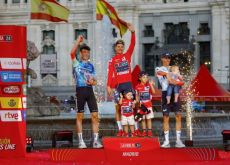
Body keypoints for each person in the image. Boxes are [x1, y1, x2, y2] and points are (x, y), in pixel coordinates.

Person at [107, 23, 141, 136]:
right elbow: (110, 74)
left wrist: (133, 32)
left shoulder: (127, 55)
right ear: (115, 48)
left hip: (127, 85)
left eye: (122, 47)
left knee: (133, 106)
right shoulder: (112, 60)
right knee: (118, 108)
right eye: (118, 46)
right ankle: (120, 130)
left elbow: (133, 43)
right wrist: (108, 86)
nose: (120, 48)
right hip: (118, 86)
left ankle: (135, 129)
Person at [70, 35, 102, 149]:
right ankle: (80, 141)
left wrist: (93, 82)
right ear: (81, 53)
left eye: (87, 52)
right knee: (80, 116)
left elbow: (94, 81)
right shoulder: (76, 63)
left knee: (95, 115)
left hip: (89, 91)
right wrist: (78, 41)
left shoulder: (91, 66)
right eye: (83, 52)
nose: (85, 54)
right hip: (80, 90)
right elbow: (71, 53)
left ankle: (95, 141)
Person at [155, 53, 185, 148]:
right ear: (162, 58)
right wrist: (169, 75)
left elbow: (182, 81)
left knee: (178, 115)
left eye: (169, 58)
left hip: (175, 93)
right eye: (166, 58)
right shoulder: (159, 68)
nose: (167, 59)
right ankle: (166, 141)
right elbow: (159, 73)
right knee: (166, 117)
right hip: (165, 93)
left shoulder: (174, 67)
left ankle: (178, 141)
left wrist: (176, 81)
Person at [135, 71, 155, 137]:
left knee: (149, 119)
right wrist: (137, 103)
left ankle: (149, 132)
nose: (145, 79)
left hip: (148, 105)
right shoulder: (137, 86)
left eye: (146, 77)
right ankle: (144, 131)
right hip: (141, 106)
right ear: (140, 78)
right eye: (144, 77)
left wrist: (151, 85)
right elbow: (137, 96)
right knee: (143, 119)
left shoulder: (149, 85)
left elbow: (154, 92)